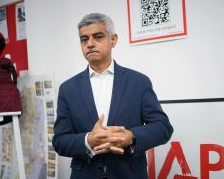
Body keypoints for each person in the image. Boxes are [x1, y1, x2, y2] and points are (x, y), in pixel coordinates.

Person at [52, 13, 173, 179]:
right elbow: (59, 141)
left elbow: (163, 128)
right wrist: (88, 140)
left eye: (98, 36)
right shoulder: (68, 89)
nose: (90, 44)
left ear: (113, 40)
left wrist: (131, 137)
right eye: (84, 39)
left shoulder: (139, 82)